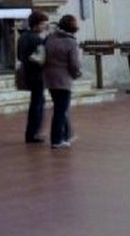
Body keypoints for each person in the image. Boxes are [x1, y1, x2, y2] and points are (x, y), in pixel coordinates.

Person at [43, 14, 83, 149]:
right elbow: (74, 64)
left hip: (50, 77)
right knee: (61, 110)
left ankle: (66, 135)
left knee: (60, 107)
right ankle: (56, 139)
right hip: (63, 79)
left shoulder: (50, 38)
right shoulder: (71, 42)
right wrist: (77, 74)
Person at [17, 11, 49, 144]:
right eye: (42, 24)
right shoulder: (36, 39)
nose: (44, 27)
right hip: (37, 74)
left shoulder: (22, 37)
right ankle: (33, 134)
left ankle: (31, 133)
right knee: (37, 105)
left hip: (27, 72)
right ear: (36, 25)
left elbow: (19, 56)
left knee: (36, 103)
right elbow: (42, 59)